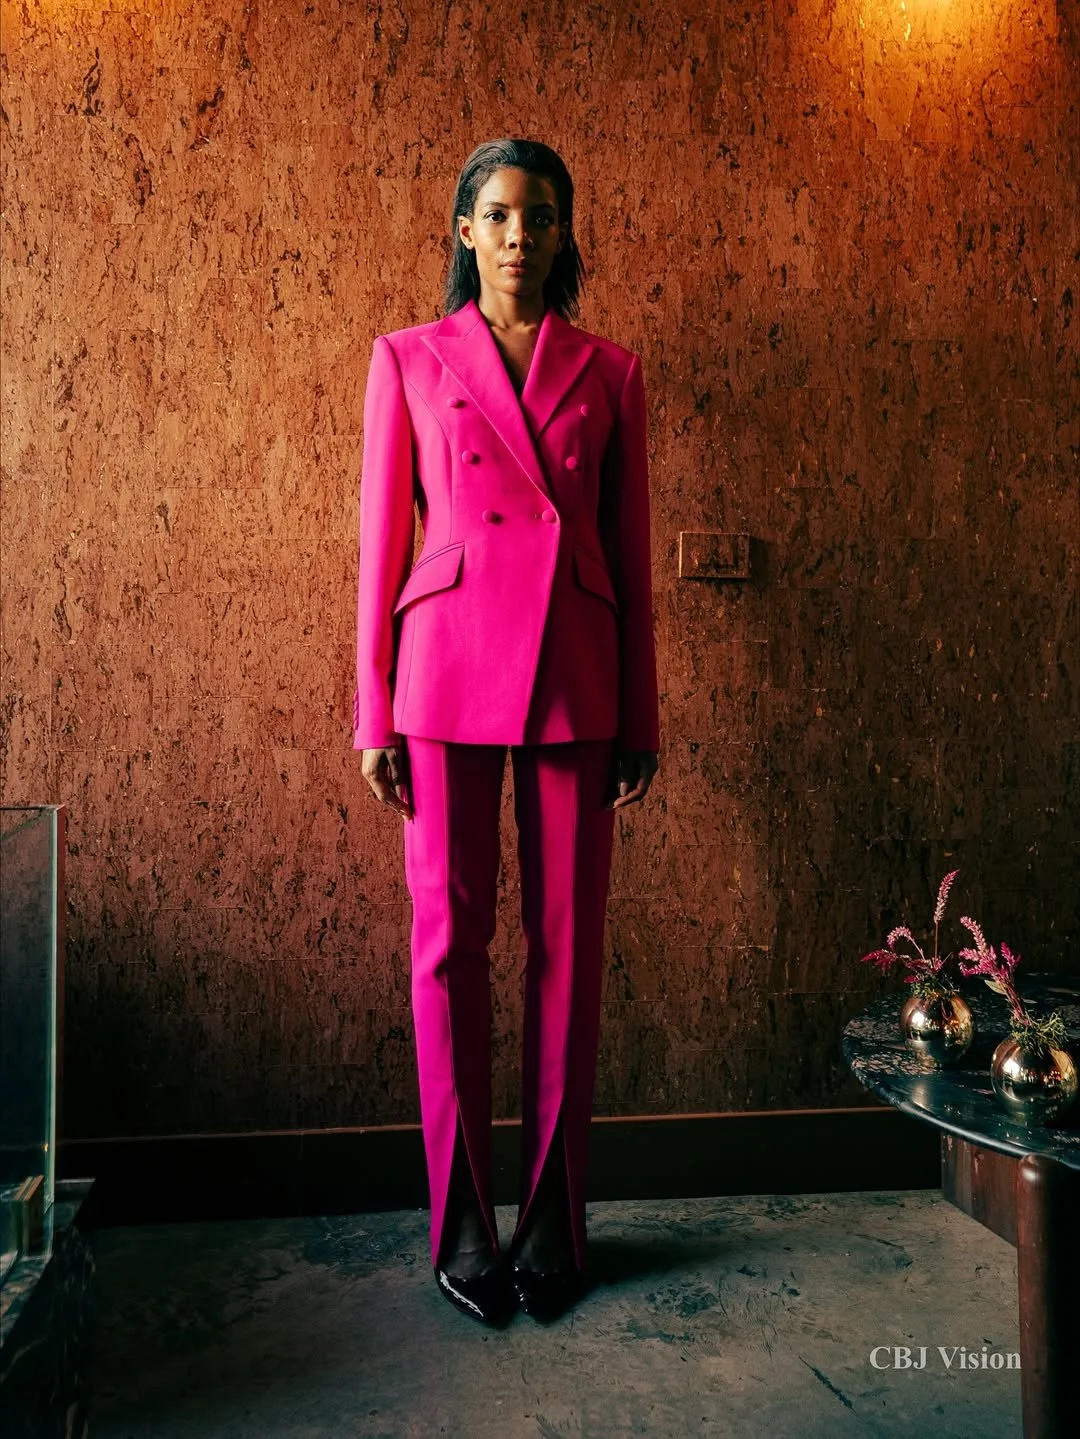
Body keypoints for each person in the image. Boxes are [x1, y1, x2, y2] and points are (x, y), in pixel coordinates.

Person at [353, 138, 659, 1326]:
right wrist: (370, 705)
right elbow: (381, 543)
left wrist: (641, 710)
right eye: (497, 214)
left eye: (540, 214)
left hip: (579, 673)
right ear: (465, 234)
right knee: (448, 945)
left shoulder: (613, 371)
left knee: (570, 952)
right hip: (440, 677)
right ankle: (463, 1216)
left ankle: (554, 1217)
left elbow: (630, 560)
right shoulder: (408, 360)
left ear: (564, 232)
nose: (521, 233)